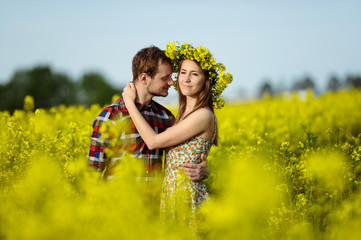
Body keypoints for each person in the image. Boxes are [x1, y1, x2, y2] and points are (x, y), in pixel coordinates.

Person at [122, 42, 232, 228]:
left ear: (206, 81)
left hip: (187, 196)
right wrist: (206, 169)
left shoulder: (203, 115)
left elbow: (154, 141)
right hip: (173, 194)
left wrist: (129, 103)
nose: (186, 79)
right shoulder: (177, 117)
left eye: (194, 74)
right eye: (182, 72)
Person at [88, 45, 209, 182]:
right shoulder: (111, 116)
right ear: (144, 78)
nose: (171, 82)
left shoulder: (166, 117)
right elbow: (93, 172)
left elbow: (184, 157)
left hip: (155, 203)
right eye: (165, 77)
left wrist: (205, 169)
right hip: (119, 201)